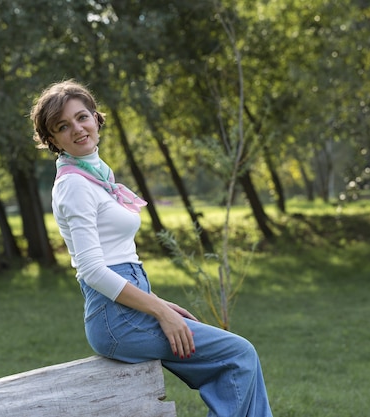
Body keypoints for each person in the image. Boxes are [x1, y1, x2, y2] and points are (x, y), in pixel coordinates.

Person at [30, 79, 273, 417]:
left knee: (233, 360)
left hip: (128, 309)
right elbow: (93, 271)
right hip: (116, 320)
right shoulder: (74, 186)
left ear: (96, 119)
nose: (77, 129)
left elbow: (119, 257)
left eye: (82, 117)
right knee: (238, 354)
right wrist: (161, 312)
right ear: (53, 140)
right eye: (63, 126)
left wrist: (159, 303)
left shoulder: (94, 178)